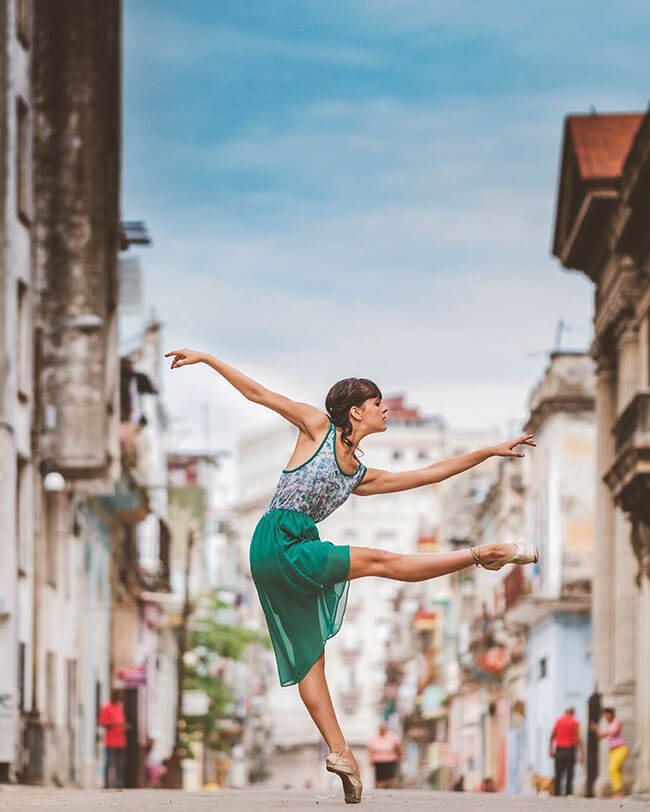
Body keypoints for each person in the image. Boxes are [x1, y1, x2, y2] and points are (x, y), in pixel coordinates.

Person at [165, 349, 539, 805]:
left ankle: (341, 752)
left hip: (276, 550)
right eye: (377, 403)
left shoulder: (359, 474)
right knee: (383, 562)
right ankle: (483, 554)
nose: (385, 410)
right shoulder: (316, 427)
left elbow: (427, 474)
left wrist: (487, 452)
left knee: (310, 658)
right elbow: (257, 393)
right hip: (283, 540)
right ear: (356, 411)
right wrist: (206, 359)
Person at [591, 707, 628, 798]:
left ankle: (618, 791)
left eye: (605, 714)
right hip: (612, 751)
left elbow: (614, 730)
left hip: (620, 749)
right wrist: (596, 730)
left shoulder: (616, 720)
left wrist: (602, 732)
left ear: (610, 714)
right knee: (616, 771)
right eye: (603, 715)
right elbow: (601, 736)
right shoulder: (608, 724)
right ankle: (619, 791)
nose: (604, 717)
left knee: (613, 769)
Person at [549, 706, 584, 796]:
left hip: (559, 750)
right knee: (569, 773)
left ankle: (557, 794)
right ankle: (568, 793)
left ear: (565, 712)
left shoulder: (559, 721)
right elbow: (578, 738)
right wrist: (582, 753)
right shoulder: (575, 722)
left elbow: (552, 736)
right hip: (570, 750)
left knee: (558, 774)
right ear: (573, 713)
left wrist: (550, 750)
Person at [98, 689, 128, 789]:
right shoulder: (106, 708)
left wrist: (124, 726)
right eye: (119, 696)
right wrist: (116, 724)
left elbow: (122, 722)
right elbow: (102, 723)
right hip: (110, 741)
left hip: (121, 741)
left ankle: (119, 783)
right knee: (110, 762)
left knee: (120, 763)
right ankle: (106, 784)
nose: (120, 698)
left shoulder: (120, 708)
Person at [367, 723, 402, 788]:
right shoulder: (375, 738)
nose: (382, 730)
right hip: (378, 762)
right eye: (381, 729)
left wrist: (400, 757)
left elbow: (399, 748)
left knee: (389, 778)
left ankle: (389, 788)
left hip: (390, 761)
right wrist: (370, 759)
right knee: (380, 779)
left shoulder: (392, 737)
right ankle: (381, 789)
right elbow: (370, 749)